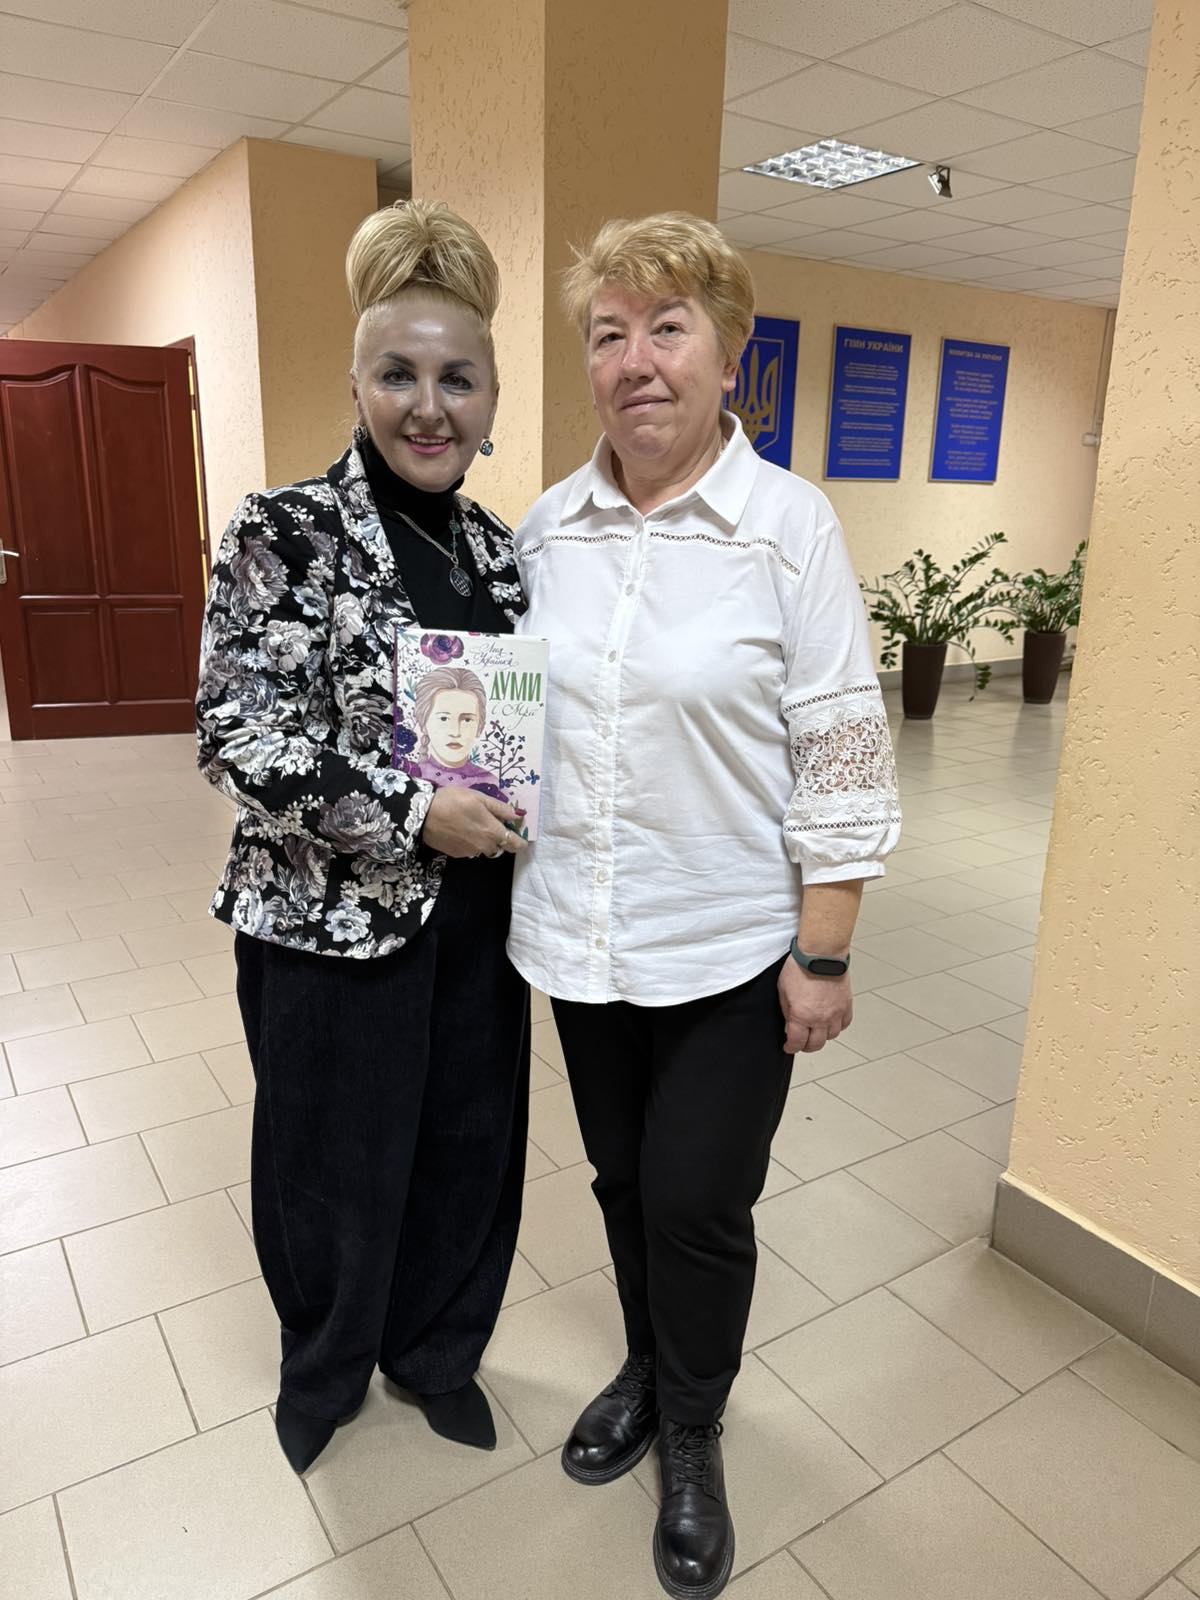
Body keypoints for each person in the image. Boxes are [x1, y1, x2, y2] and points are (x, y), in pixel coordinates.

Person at [508, 213, 901, 1600]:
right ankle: (643, 1359)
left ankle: (692, 1428)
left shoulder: (787, 527)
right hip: (581, 934)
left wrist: (823, 952)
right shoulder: (546, 529)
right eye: (608, 333)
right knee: (622, 1181)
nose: (635, 361)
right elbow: (508, 724)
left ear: (730, 354)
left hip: (732, 944)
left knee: (695, 1198)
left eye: (667, 328)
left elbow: (841, 750)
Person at [196, 200, 529, 1475]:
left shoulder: (500, 556)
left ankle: (436, 1351)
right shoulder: (283, 530)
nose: (428, 408)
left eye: (457, 379)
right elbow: (236, 730)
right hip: (327, 919)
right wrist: (408, 809)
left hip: (480, 918)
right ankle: (326, 1365)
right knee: (329, 1158)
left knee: (466, 1145)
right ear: (356, 383)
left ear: (492, 395)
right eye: (399, 374)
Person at [410, 666, 505, 794]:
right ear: (424, 724)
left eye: (467, 720)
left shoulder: (492, 783)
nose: (455, 732)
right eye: (443, 718)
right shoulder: (408, 778)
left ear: (479, 726)